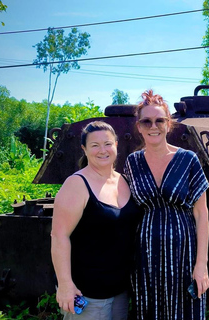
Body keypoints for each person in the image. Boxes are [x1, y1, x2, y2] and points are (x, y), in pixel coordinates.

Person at [124, 90, 209, 320]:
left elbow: (201, 214)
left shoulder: (188, 159)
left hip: (184, 253)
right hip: (145, 256)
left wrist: (201, 264)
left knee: (186, 311)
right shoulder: (132, 163)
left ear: (168, 124)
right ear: (139, 127)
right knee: (148, 310)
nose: (154, 126)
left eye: (160, 120)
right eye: (147, 121)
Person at [51, 121, 141, 319]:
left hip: (119, 290)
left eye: (108, 143)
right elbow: (59, 236)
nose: (103, 150)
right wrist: (65, 284)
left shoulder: (124, 180)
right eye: (94, 145)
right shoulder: (77, 184)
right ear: (84, 149)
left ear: (116, 145)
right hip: (87, 293)